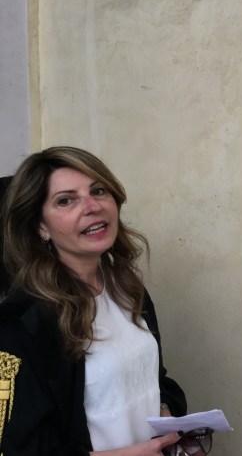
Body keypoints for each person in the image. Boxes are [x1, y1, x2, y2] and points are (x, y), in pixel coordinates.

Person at [0, 147, 187, 455]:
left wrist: (165, 409)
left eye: (98, 191)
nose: (92, 206)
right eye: (66, 200)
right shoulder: (20, 323)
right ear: (40, 226)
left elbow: (154, 378)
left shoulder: (127, 288)